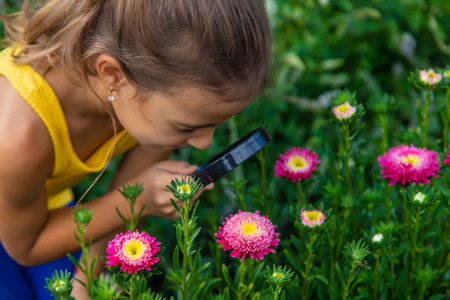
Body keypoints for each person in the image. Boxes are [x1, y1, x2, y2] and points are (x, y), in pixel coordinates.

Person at [0, 0, 271, 299]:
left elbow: (127, 196)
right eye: (188, 127)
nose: (205, 143)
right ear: (113, 75)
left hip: (31, 208)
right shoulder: (19, 136)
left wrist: (89, 278)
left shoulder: (138, 89)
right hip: (24, 227)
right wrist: (141, 197)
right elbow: (29, 245)